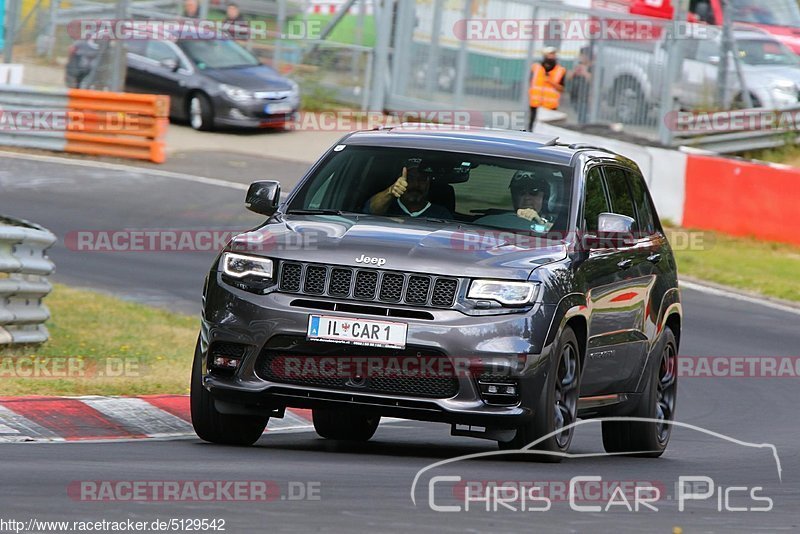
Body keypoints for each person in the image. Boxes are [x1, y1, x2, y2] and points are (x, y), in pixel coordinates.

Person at [365, 159, 452, 219]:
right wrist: (390, 191)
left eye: (421, 179)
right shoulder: (386, 206)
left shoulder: (441, 214)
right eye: (410, 178)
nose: (416, 184)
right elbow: (370, 212)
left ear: (428, 183)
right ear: (399, 180)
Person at [474, 171, 556, 232]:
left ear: (546, 197)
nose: (527, 197)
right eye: (521, 192)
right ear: (514, 196)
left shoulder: (561, 222)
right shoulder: (499, 221)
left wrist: (540, 223)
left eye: (533, 192)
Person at [528, 47, 566, 132]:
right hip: (535, 102)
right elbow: (530, 82)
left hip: (550, 105)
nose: (551, 57)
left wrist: (551, 82)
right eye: (549, 54)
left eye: (553, 54)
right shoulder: (536, 67)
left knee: (547, 128)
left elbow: (562, 88)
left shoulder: (560, 70)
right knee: (532, 125)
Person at [568, 46, 593, 125]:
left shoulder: (592, 67)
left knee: (583, 116)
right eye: (581, 55)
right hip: (575, 95)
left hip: (585, 97)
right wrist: (575, 70)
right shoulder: (577, 65)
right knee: (578, 112)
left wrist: (584, 71)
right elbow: (569, 77)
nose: (582, 57)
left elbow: (592, 81)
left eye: (584, 55)